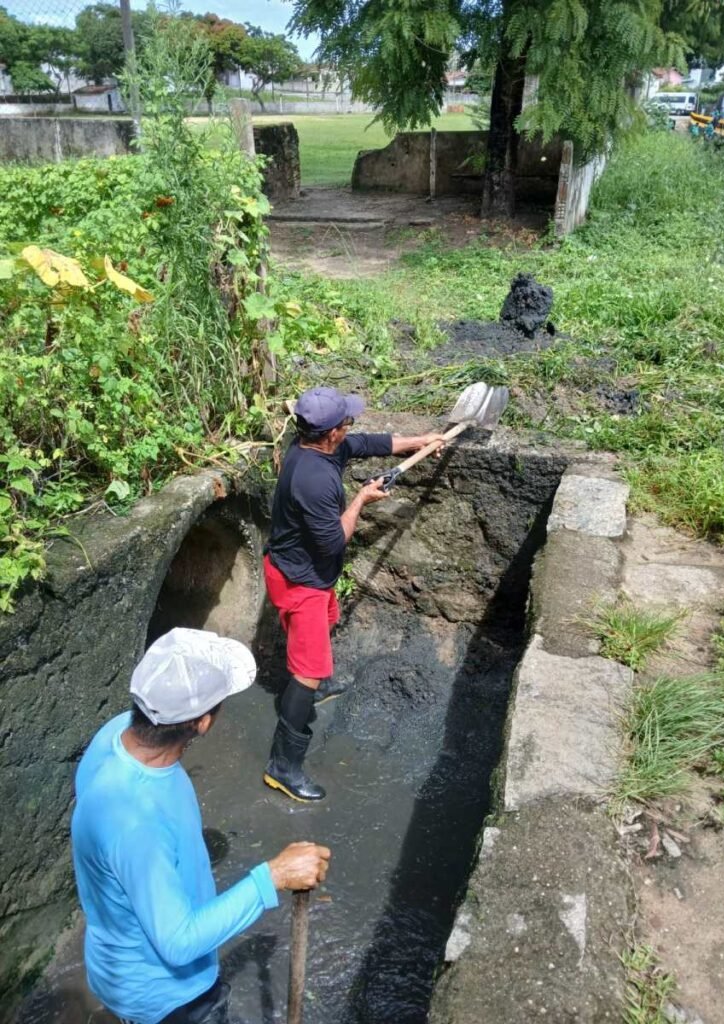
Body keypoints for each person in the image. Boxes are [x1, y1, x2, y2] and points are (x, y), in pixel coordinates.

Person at [71, 627, 330, 1024]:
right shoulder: (138, 822)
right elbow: (178, 941)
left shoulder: (114, 734)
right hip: (167, 996)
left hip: (115, 966)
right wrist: (274, 876)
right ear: (203, 722)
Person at [262, 386, 445, 802]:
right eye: (347, 422)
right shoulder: (314, 481)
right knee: (308, 669)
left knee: (321, 632)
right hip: (300, 580)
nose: (352, 428)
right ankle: (282, 767)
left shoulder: (317, 447)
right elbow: (333, 543)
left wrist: (421, 440)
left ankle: (307, 689)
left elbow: (366, 444)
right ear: (330, 433)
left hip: (307, 572)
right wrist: (361, 498)